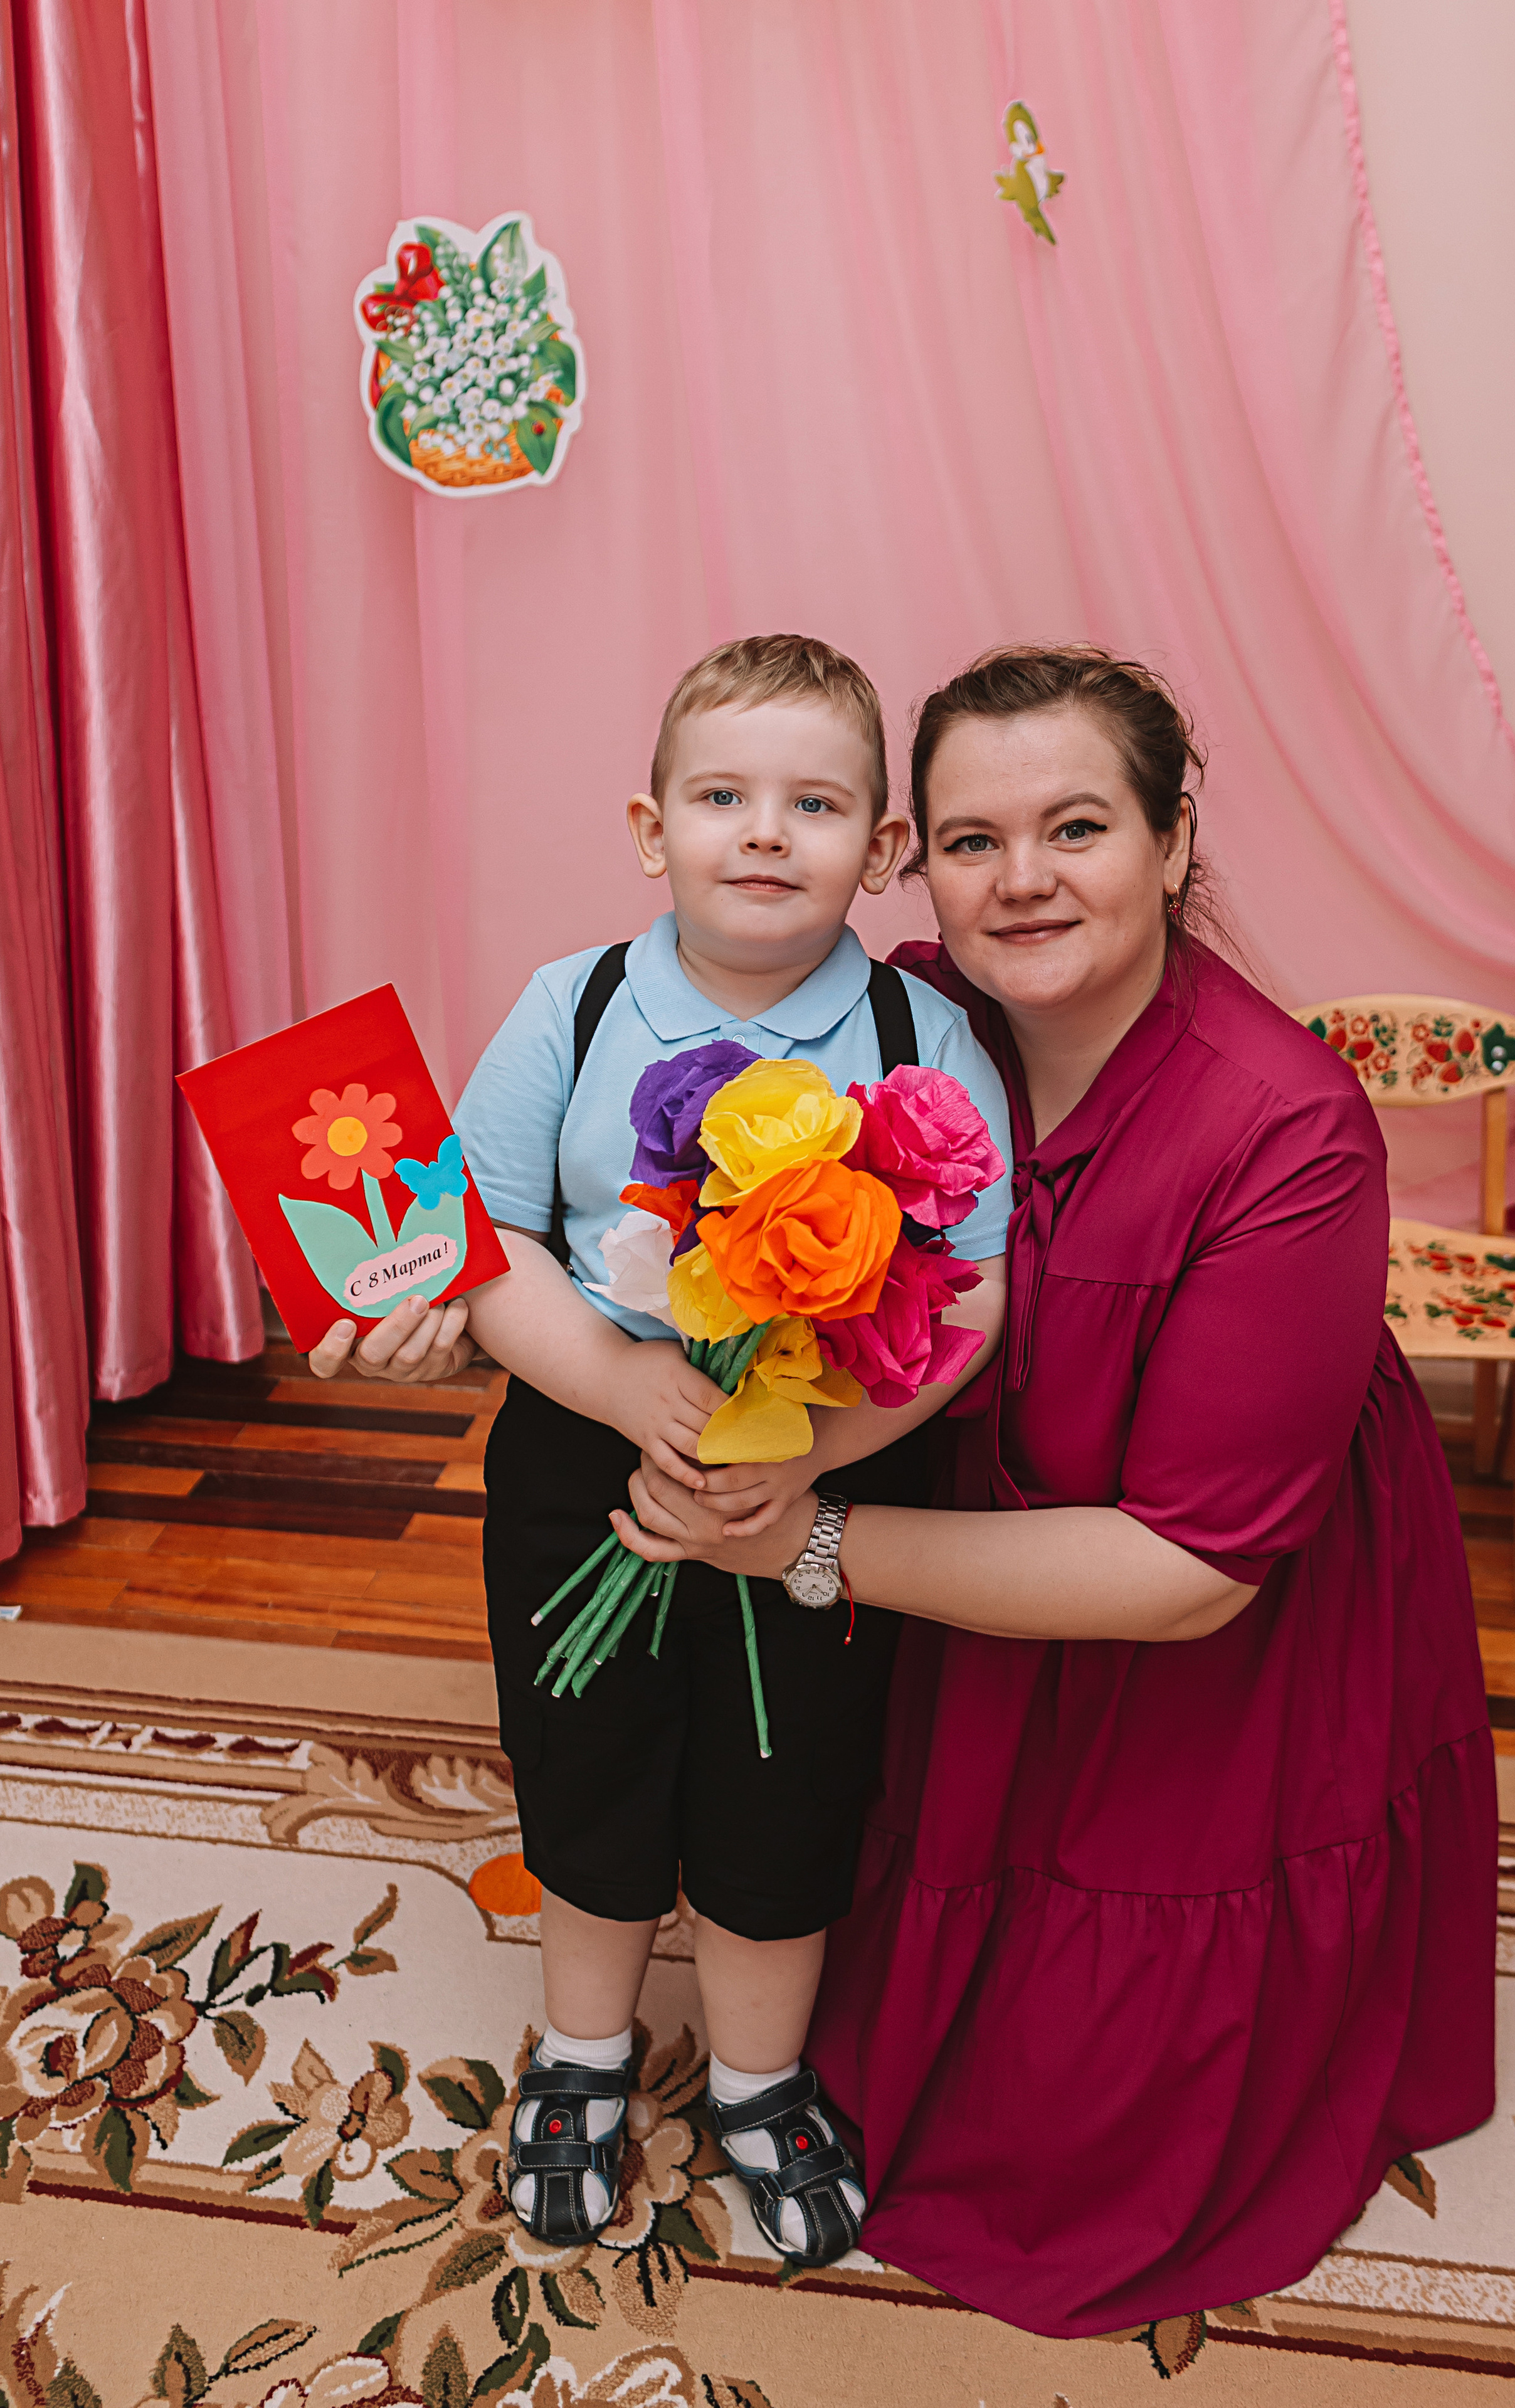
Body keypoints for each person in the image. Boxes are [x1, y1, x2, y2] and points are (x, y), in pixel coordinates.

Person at [615, 645, 1497, 2337]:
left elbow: (1189, 1573)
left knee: (1098, 2111)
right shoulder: (902, 1020)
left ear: (1173, 841)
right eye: (970, 839)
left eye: (1077, 827)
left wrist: (808, 1543)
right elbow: (643, 1181)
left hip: (1205, 1616)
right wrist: (461, 1300)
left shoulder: (1287, 1132)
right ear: (911, 859)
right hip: (981, 1559)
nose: (1020, 881)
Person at [308, 634, 1010, 2266]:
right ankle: (585, 2056)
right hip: (584, 1479)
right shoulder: (580, 1003)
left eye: (815, 803)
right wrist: (628, 1396)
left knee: (789, 1793)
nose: (765, 832)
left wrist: (813, 1454)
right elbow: (477, 1240)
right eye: (723, 796)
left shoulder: (921, 1040)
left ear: (882, 851)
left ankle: (762, 2079)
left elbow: (970, 1297)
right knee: (594, 1772)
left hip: (812, 1491)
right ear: (651, 829)